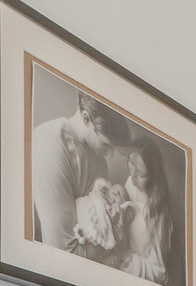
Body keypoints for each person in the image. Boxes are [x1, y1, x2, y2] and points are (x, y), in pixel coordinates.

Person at [31, 90, 126, 255]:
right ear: (86, 118)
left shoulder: (100, 163)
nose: (111, 155)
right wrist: (113, 247)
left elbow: (104, 227)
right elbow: (61, 249)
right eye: (106, 145)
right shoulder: (50, 142)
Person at [117, 140, 177, 286]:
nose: (132, 174)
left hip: (136, 283)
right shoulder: (130, 183)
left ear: (153, 175)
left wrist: (126, 259)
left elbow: (160, 271)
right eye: (131, 163)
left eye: (141, 174)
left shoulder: (157, 214)